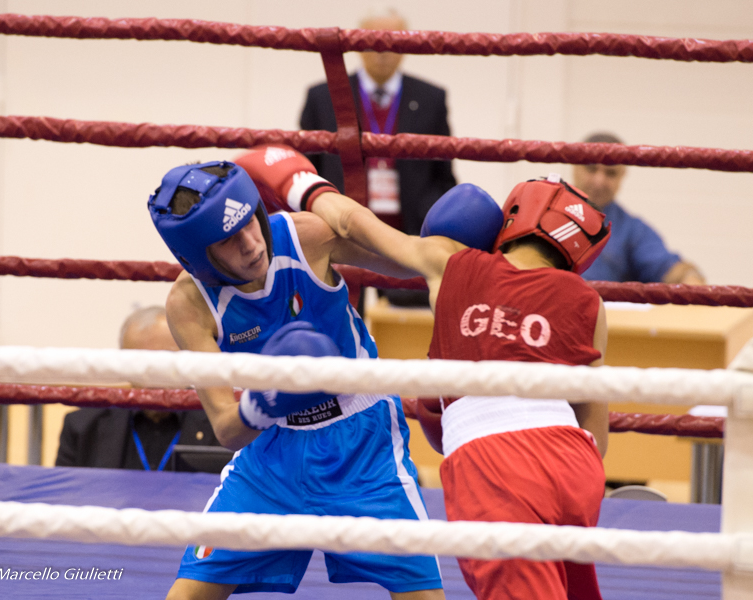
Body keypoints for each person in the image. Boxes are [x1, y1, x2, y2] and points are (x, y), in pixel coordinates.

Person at [239, 145, 611, 600]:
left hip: (496, 461)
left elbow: (354, 224)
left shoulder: (454, 262)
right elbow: (595, 413)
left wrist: (298, 183)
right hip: (573, 460)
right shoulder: (589, 303)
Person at [147, 154, 444, 600]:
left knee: (423, 593)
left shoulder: (305, 237)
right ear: (196, 258)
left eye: (251, 221)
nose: (250, 243)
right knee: (187, 594)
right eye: (228, 240)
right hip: (271, 454)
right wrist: (269, 399)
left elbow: (413, 261)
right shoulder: (190, 304)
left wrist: (325, 202)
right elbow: (228, 428)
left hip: (363, 443)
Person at [299, 8, 457, 306]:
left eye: (392, 41)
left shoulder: (431, 98)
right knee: (337, 314)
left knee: (404, 329)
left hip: (409, 233)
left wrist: (436, 230)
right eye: (374, 41)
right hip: (340, 231)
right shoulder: (324, 96)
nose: (383, 50)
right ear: (357, 44)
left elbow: (443, 174)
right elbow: (307, 168)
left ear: (407, 47)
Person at [55, 305, 219, 470]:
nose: (157, 375)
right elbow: (65, 495)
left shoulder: (221, 425)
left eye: (167, 360)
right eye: (142, 363)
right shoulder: (83, 427)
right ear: (122, 366)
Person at [573, 132, 706, 285]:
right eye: (591, 169)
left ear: (622, 176)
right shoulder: (545, 210)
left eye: (611, 173)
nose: (599, 181)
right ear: (575, 167)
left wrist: (690, 278)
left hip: (599, 307)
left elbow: (666, 267)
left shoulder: (631, 230)